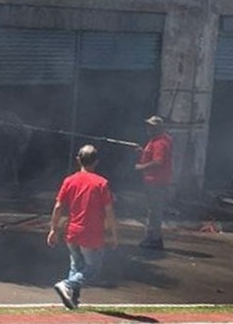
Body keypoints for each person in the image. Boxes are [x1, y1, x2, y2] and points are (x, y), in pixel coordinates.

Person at [48, 144, 118, 310]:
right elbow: (109, 211)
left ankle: (72, 300)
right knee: (93, 268)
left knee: (76, 265)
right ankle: (67, 285)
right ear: (96, 162)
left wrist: (53, 229)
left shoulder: (69, 181)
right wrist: (114, 234)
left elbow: (58, 207)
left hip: (73, 231)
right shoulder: (101, 183)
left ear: (78, 160)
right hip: (91, 233)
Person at [134, 115, 174, 250]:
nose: (148, 129)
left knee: (154, 211)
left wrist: (140, 167)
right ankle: (154, 238)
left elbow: (158, 162)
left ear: (157, 128)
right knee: (154, 210)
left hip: (156, 181)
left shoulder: (160, 143)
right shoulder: (157, 140)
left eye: (151, 126)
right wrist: (143, 152)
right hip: (156, 181)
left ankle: (153, 239)